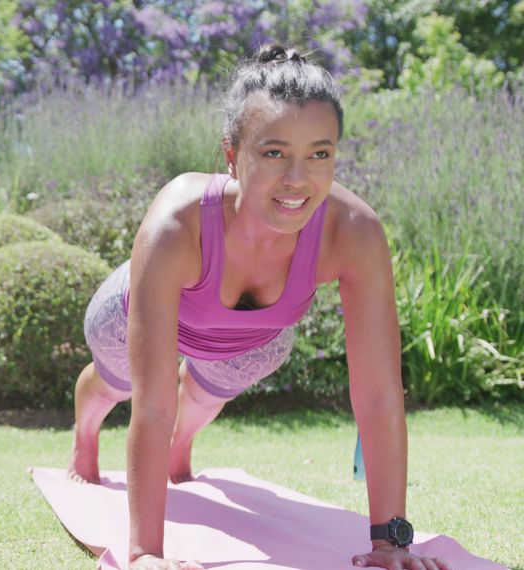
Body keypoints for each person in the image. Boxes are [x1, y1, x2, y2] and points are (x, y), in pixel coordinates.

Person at [69, 45, 453, 570]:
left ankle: (183, 450)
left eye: (320, 154)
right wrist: (145, 555)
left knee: (201, 401)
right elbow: (154, 403)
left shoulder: (354, 231)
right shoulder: (178, 222)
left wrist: (391, 542)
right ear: (231, 154)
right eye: (274, 153)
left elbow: (380, 394)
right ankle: (84, 437)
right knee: (117, 385)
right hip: (142, 311)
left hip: (253, 338)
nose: (299, 179)